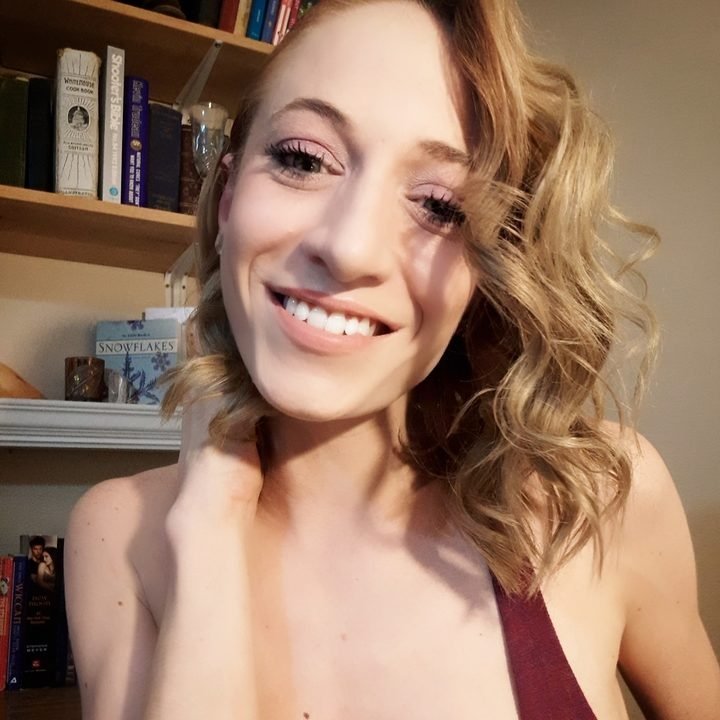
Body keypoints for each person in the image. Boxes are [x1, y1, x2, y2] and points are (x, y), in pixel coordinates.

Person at [64, 1, 720, 719]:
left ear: (488, 270)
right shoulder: (119, 535)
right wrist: (209, 531)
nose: (349, 247)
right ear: (226, 200)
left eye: (440, 206)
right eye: (303, 159)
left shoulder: (601, 499)